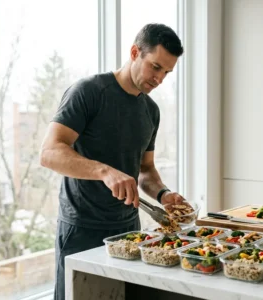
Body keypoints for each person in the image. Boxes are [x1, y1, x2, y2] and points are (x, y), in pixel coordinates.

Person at [39, 23, 187, 300]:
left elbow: (145, 171)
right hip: (82, 229)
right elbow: (49, 153)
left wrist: (163, 193)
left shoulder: (150, 110)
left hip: (129, 230)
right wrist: (104, 171)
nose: (160, 79)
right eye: (155, 67)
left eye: (167, 72)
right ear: (135, 52)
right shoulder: (88, 92)